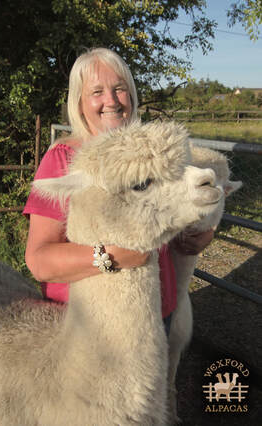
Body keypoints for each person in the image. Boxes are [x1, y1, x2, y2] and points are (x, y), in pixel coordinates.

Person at [23, 47, 214, 334]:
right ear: (80, 103)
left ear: (132, 95)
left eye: (119, 89)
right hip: (91, 325)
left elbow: (159, 217)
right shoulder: (64, 160)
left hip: (155, 310)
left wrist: (195, 235)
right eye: (97, 91)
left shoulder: (148, 152)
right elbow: (39, 260)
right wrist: (111, 255)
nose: (111, 101)